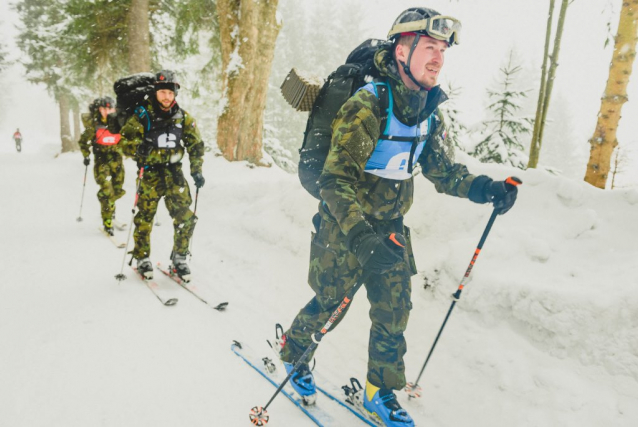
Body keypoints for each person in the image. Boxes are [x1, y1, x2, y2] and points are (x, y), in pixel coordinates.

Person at [276, 8, 519, 427]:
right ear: (402, 50)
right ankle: (294, 353)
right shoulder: (367, 106)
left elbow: (443, 170)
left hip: (389, 231)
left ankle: (379, 389)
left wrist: (486, 189)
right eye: (429, 47)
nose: (438, 58)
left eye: (443, 50)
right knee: (331, 304)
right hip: (344, 227)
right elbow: (334, 182)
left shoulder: (428, 111)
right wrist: (360, 236)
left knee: (393, 312)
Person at [119, 70, 205, 282]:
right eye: (163, 92)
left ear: (175, 93)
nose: (167, 97)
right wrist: (138, 149)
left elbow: (196, 145)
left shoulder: (183, 117)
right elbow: (124, 144)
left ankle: (179, 258)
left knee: (185, 217)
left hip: (175, 174)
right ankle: (142, 257)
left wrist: (196, 170)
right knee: (145, 219)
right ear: (156, 92)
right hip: (149, 175)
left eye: (170, 92)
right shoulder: (141, 115)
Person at [78, 97, 125, 235]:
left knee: (117, 190)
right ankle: (107, 220)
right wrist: (86, 155)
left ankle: (110, 207)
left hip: (117, 161)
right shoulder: (94, 124)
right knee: (106, 190)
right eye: (103, 109)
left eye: (109, 108)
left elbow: (130, 139)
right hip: (101, 161)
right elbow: (83, 141)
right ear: (99, 110)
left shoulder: (120, 123)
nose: (106, 112)